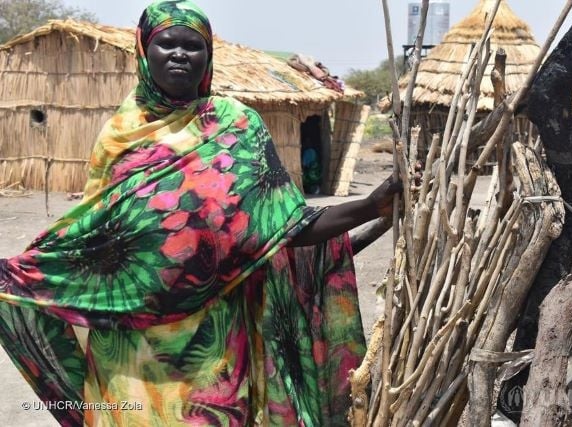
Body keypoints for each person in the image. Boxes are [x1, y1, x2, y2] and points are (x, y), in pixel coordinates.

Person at [0, 1, 401, 425]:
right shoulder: (117, 138)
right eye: (166, 43)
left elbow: (285, 226)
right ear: (144, 51)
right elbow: (93, 246)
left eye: (192, 46)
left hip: (215, 342)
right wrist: (21, 278)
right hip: (132, 349)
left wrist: (370, 207)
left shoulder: (235, 127)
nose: (179, 54)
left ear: (208, 57)